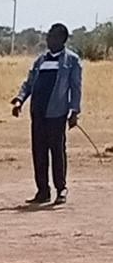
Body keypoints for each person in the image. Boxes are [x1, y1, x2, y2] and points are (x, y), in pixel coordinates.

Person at [11, 23, 83, 205]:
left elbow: (75, 88)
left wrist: (74, 112)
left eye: (52, 36)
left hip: (57, 113)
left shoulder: (71, 61)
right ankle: (42, 191)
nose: (48, 39)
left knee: (57, 151)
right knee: (39, 152)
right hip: (38, 112)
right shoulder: (41, 60)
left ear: (61, 39)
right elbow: (28, 83)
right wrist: (20, 100)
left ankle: (61, 189)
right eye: (48, 36)